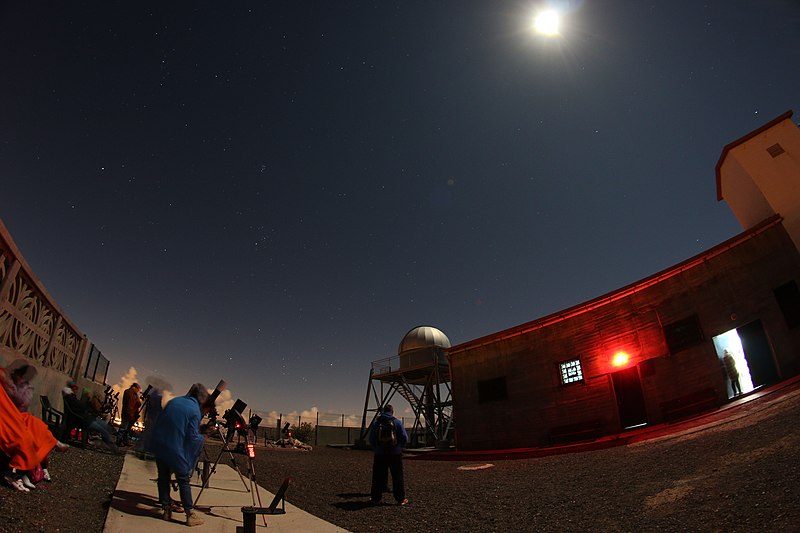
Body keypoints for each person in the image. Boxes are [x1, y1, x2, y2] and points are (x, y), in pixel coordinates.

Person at [0, 359, 68, 492]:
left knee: (37, 426)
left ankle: (52, 444)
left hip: (15, 414)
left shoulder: (20, 384)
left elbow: (23, 402)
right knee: (24, 437)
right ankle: (15, 474)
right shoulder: (7, 380)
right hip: (8, 415)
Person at [150, 383, 210, 527]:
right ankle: (189, 514)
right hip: (175, 448)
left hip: (159, 444)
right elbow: (192, 437)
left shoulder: (174, 401)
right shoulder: (195, 410)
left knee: (163, 476)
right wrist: (204, 436)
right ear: (201, 398)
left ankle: (166, 510)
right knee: (183, 479)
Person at [62, 383, 121, 453]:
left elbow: (82, 408)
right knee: (103, 430)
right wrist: (88, 399)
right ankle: (114, 448)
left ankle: (111, 444)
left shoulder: (71, 398)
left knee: (105, 426)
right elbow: (82, 407)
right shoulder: (71, 399)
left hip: (87, 418)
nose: (76, 391)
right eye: (75, 389)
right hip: (84, 420)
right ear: (72, 390)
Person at [369, 404, 409, 506]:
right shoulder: (397, 422)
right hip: (395, 454)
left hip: (380, 454)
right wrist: (399, 448)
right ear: (392, 411)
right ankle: (400, 499)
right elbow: (404, 438)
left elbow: (371, 439)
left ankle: (376, 498)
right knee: (397, 476)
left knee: (377, 477)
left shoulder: (376, 423)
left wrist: (377, 449)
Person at [117, 383, 142, 447]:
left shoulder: (134, 394)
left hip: (131, 413)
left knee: (127, 429)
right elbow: (130, 404)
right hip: (128, 413)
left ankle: (125, 441)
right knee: (123, 428)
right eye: (138, 389)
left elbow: (138, 404)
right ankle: (119, 441)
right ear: (134, 387)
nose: (138, 391)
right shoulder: (129, 392)